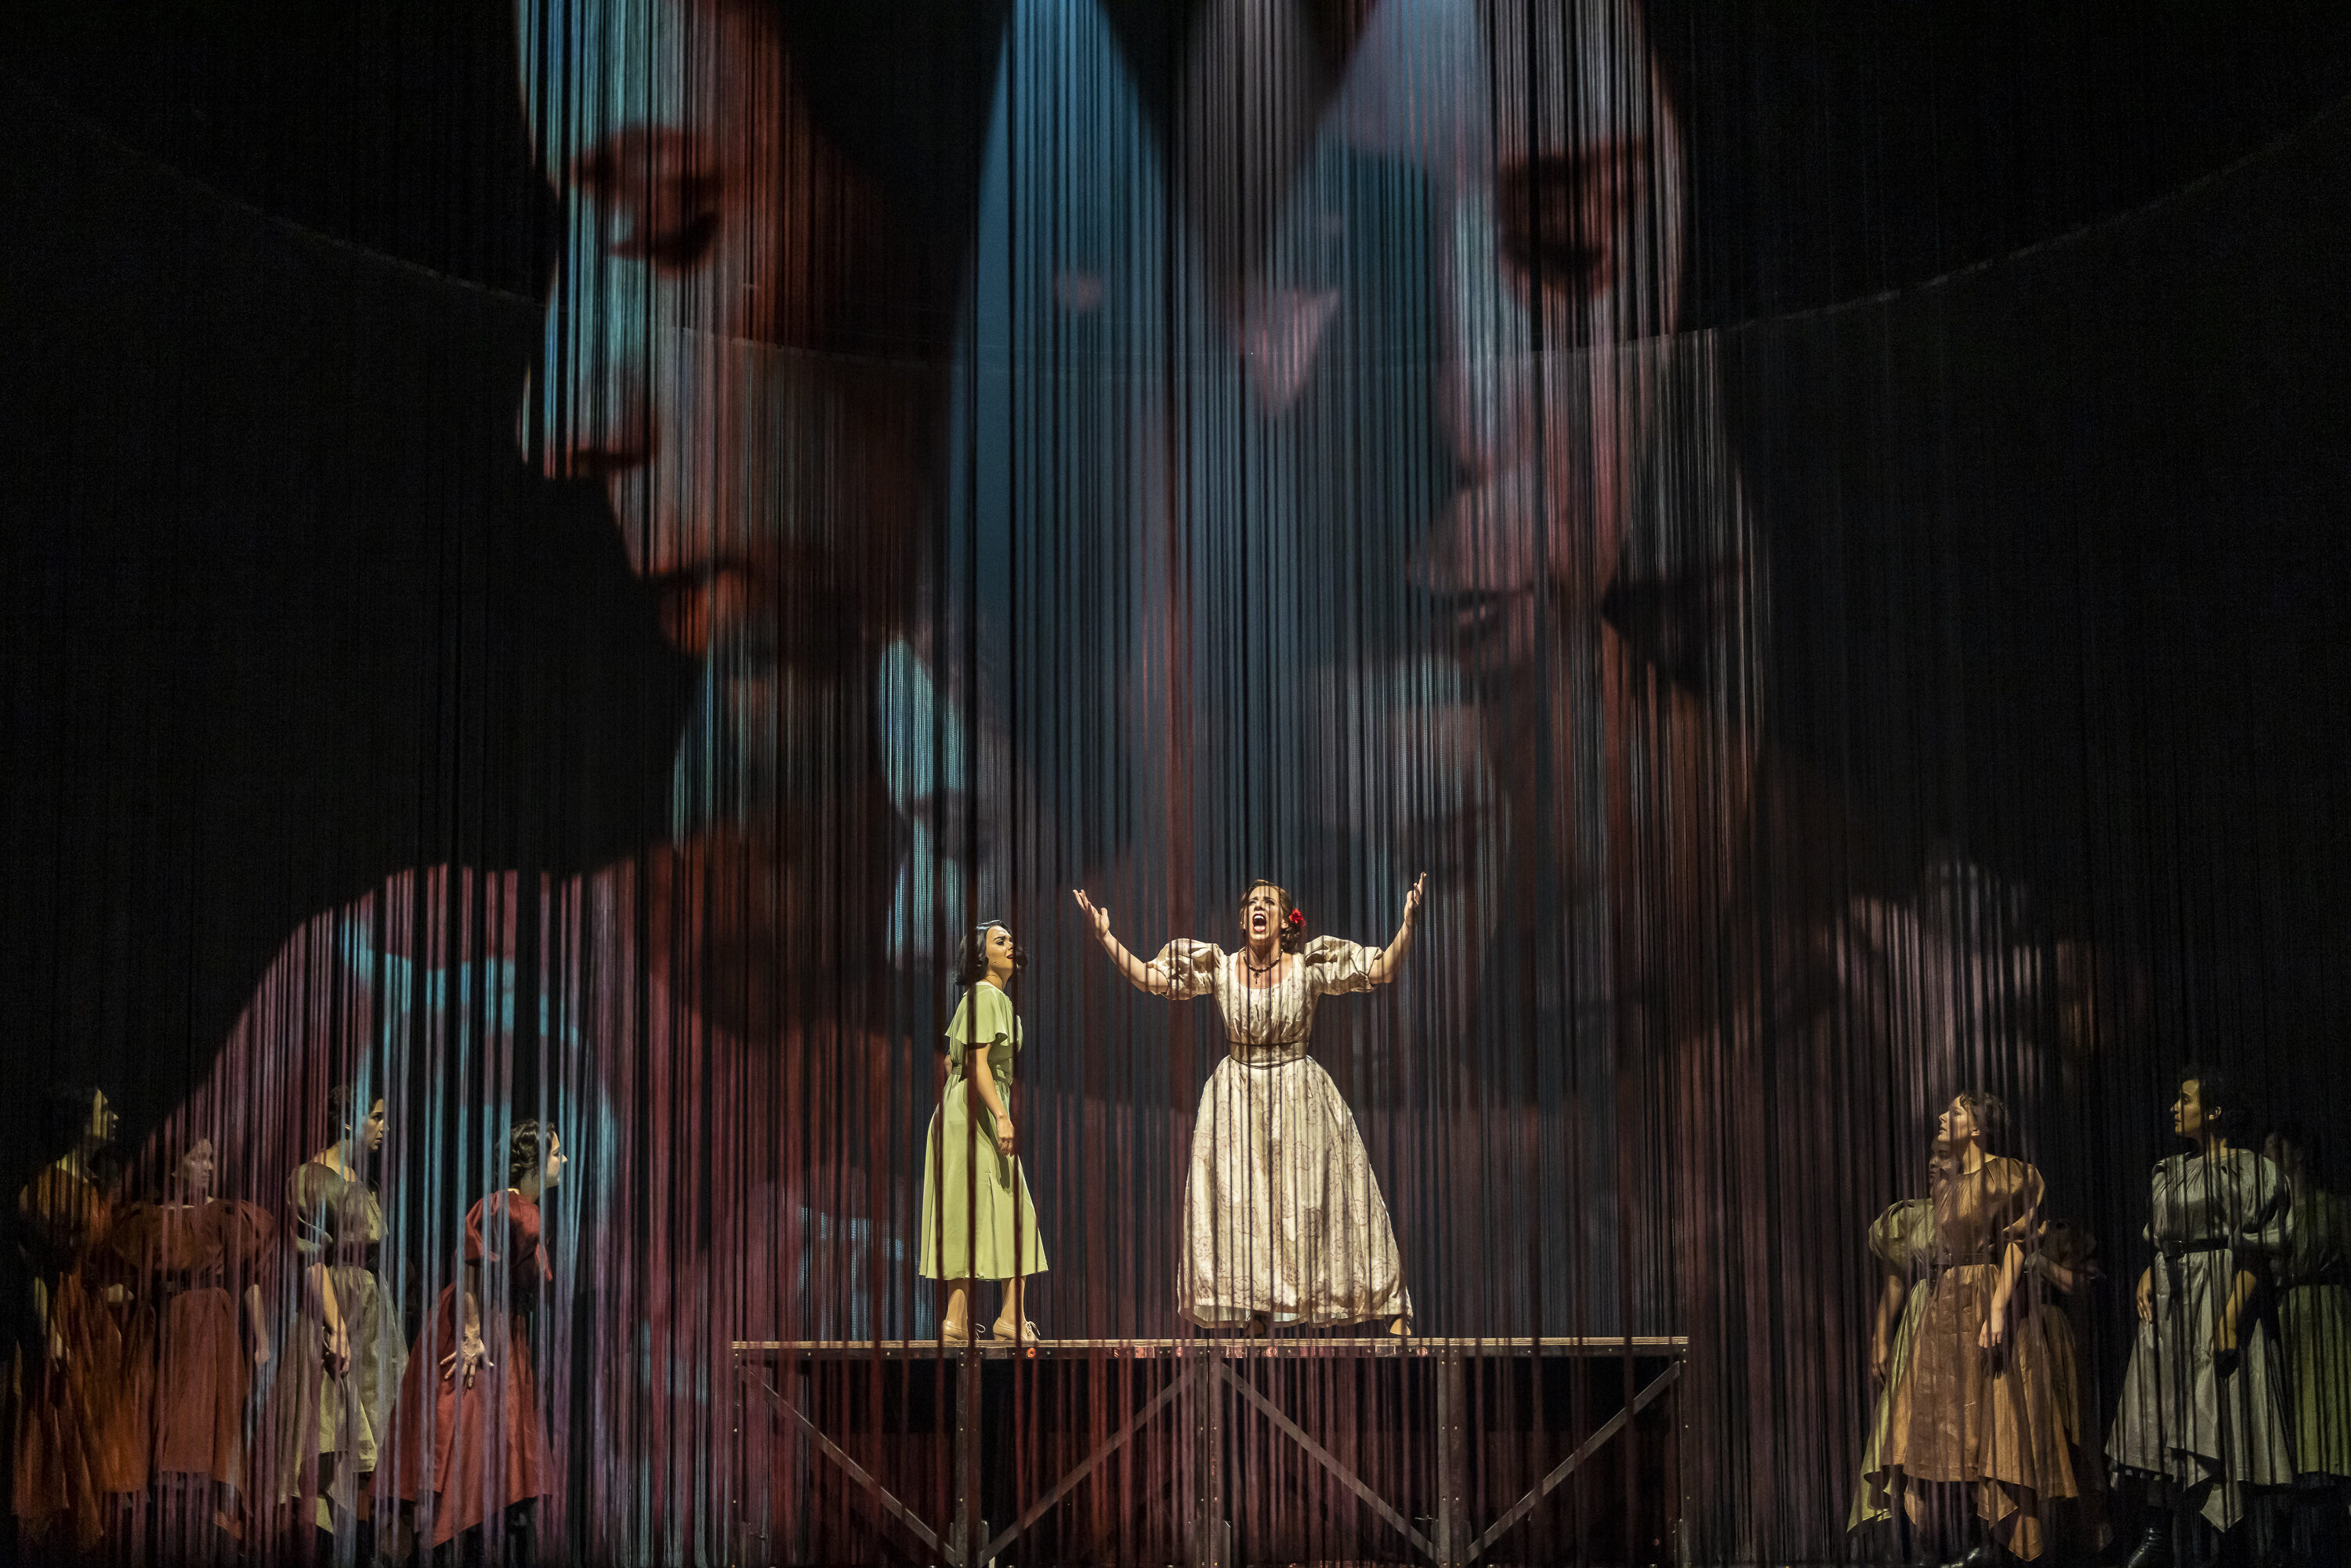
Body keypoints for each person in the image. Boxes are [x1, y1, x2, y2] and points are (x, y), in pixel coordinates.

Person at [1074, 877, 1423, 1333]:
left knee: (1329, 1198)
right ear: (1244, 920)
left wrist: (1408, 924)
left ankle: (1386, 1303)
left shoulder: (1309, 965)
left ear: (1285, 919)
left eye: (1271, 903)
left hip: (1300, 1091)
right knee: (1247, 1204)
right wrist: (1106, 937)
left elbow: (1380, 971)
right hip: (1237, 1096)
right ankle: (1256, 1309)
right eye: (1253, 903)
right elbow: (1149, 977)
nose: (1261, 908)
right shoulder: (1218, 967)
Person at [1870, 1092, 2078, 1563]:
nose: (1943, 1117)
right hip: (1945, 1307)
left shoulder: (2008, 1175)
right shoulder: (1949, 1181)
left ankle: (1997, 1544)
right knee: (1945, 1431)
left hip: (1983, 1296)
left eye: (1957, 1112)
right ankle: (1961, 1541)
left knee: (1991, 1420)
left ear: (1979, 1129)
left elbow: (2019, 1245)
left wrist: (1999, 1308)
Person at [2108, 1066, 2294, 1566]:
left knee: (2222, 1408)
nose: (2174, 1106)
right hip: (2171, 1296)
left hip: (2219, 1288)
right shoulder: (2169, 1169)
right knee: (2159, 1406)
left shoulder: (2249, 1168)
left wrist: (2231, 1318)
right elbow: (2163, 1235)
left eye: (2185, 1099)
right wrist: (2151, 1269)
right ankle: (2157, 1531)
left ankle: (2228, 1542)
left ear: (2214, 1111)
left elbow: (2260, 1251)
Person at [393, 1119, 567, 1559]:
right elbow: (471, 1265)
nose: (563, 1161)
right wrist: (471, 1334)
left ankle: (476, 1531)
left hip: (500, 1324)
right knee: (471, 1429)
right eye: (555, 1153)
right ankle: (459, 1534)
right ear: (529, 1164)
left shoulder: (521, 1211)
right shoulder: (507, 1208)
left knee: (490, 1435)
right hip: (480, 1324)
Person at [108, 1135, 275, 1558]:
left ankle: (205, 1536)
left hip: (210, 1327)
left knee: (205, 1427)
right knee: (157, 1421)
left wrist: (263, 1338)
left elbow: (250, 1278)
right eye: (198, 1159)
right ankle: (161, 1536)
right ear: (172, 1167)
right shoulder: (147, 1219)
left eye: (212, 1158)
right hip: (162, 1327)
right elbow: (121, 1282)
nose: (208, 1166)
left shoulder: (225, 1215)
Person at [266, 1084, 406, 1552]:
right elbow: (309, 1260)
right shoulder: (311, 1177)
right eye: (377, 1117)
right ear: (350, 1121)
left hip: (371, 1313)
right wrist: (336, 1326)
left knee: (373, 1439)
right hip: (334, 1312)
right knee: (331, 1438)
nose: (384, 1127)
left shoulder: (365, 1181)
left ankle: (364, 1547)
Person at [9, 1085, 138, 1551]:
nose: (116, 1117)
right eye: (106, 1110)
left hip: (91, 1316)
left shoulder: (92, 1182)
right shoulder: (49, 1187)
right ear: (82, 1120)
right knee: (60, 1415)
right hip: (62, 1313)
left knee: (96, 1424)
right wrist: (52, 1332)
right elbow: (37, 1273)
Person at [918, 921, 1046, 1342]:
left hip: (957, 1112)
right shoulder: (988, 995)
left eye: (1011, 939)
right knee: (1014, 1210)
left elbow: (951, 1065)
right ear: (981, 957)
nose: (1011, 945)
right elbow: (975, 1066)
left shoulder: (973, 999)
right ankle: (1010, 1317)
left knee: (963, 1209)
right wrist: (1002, 1116)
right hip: (978, 1112)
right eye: (1000, 941)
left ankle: (956, 1321)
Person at [2264, 1120, 2349, 1564]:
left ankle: (2331, 1539)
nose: (2267, 1157)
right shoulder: (2269, 1214)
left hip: (2326, 1315)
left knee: (2329, 1414)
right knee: (2289, 1422)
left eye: (2275, 1148)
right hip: (2285, 1318)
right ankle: (2285, 1543)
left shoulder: (2332, 1208)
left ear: (2298, 1154)